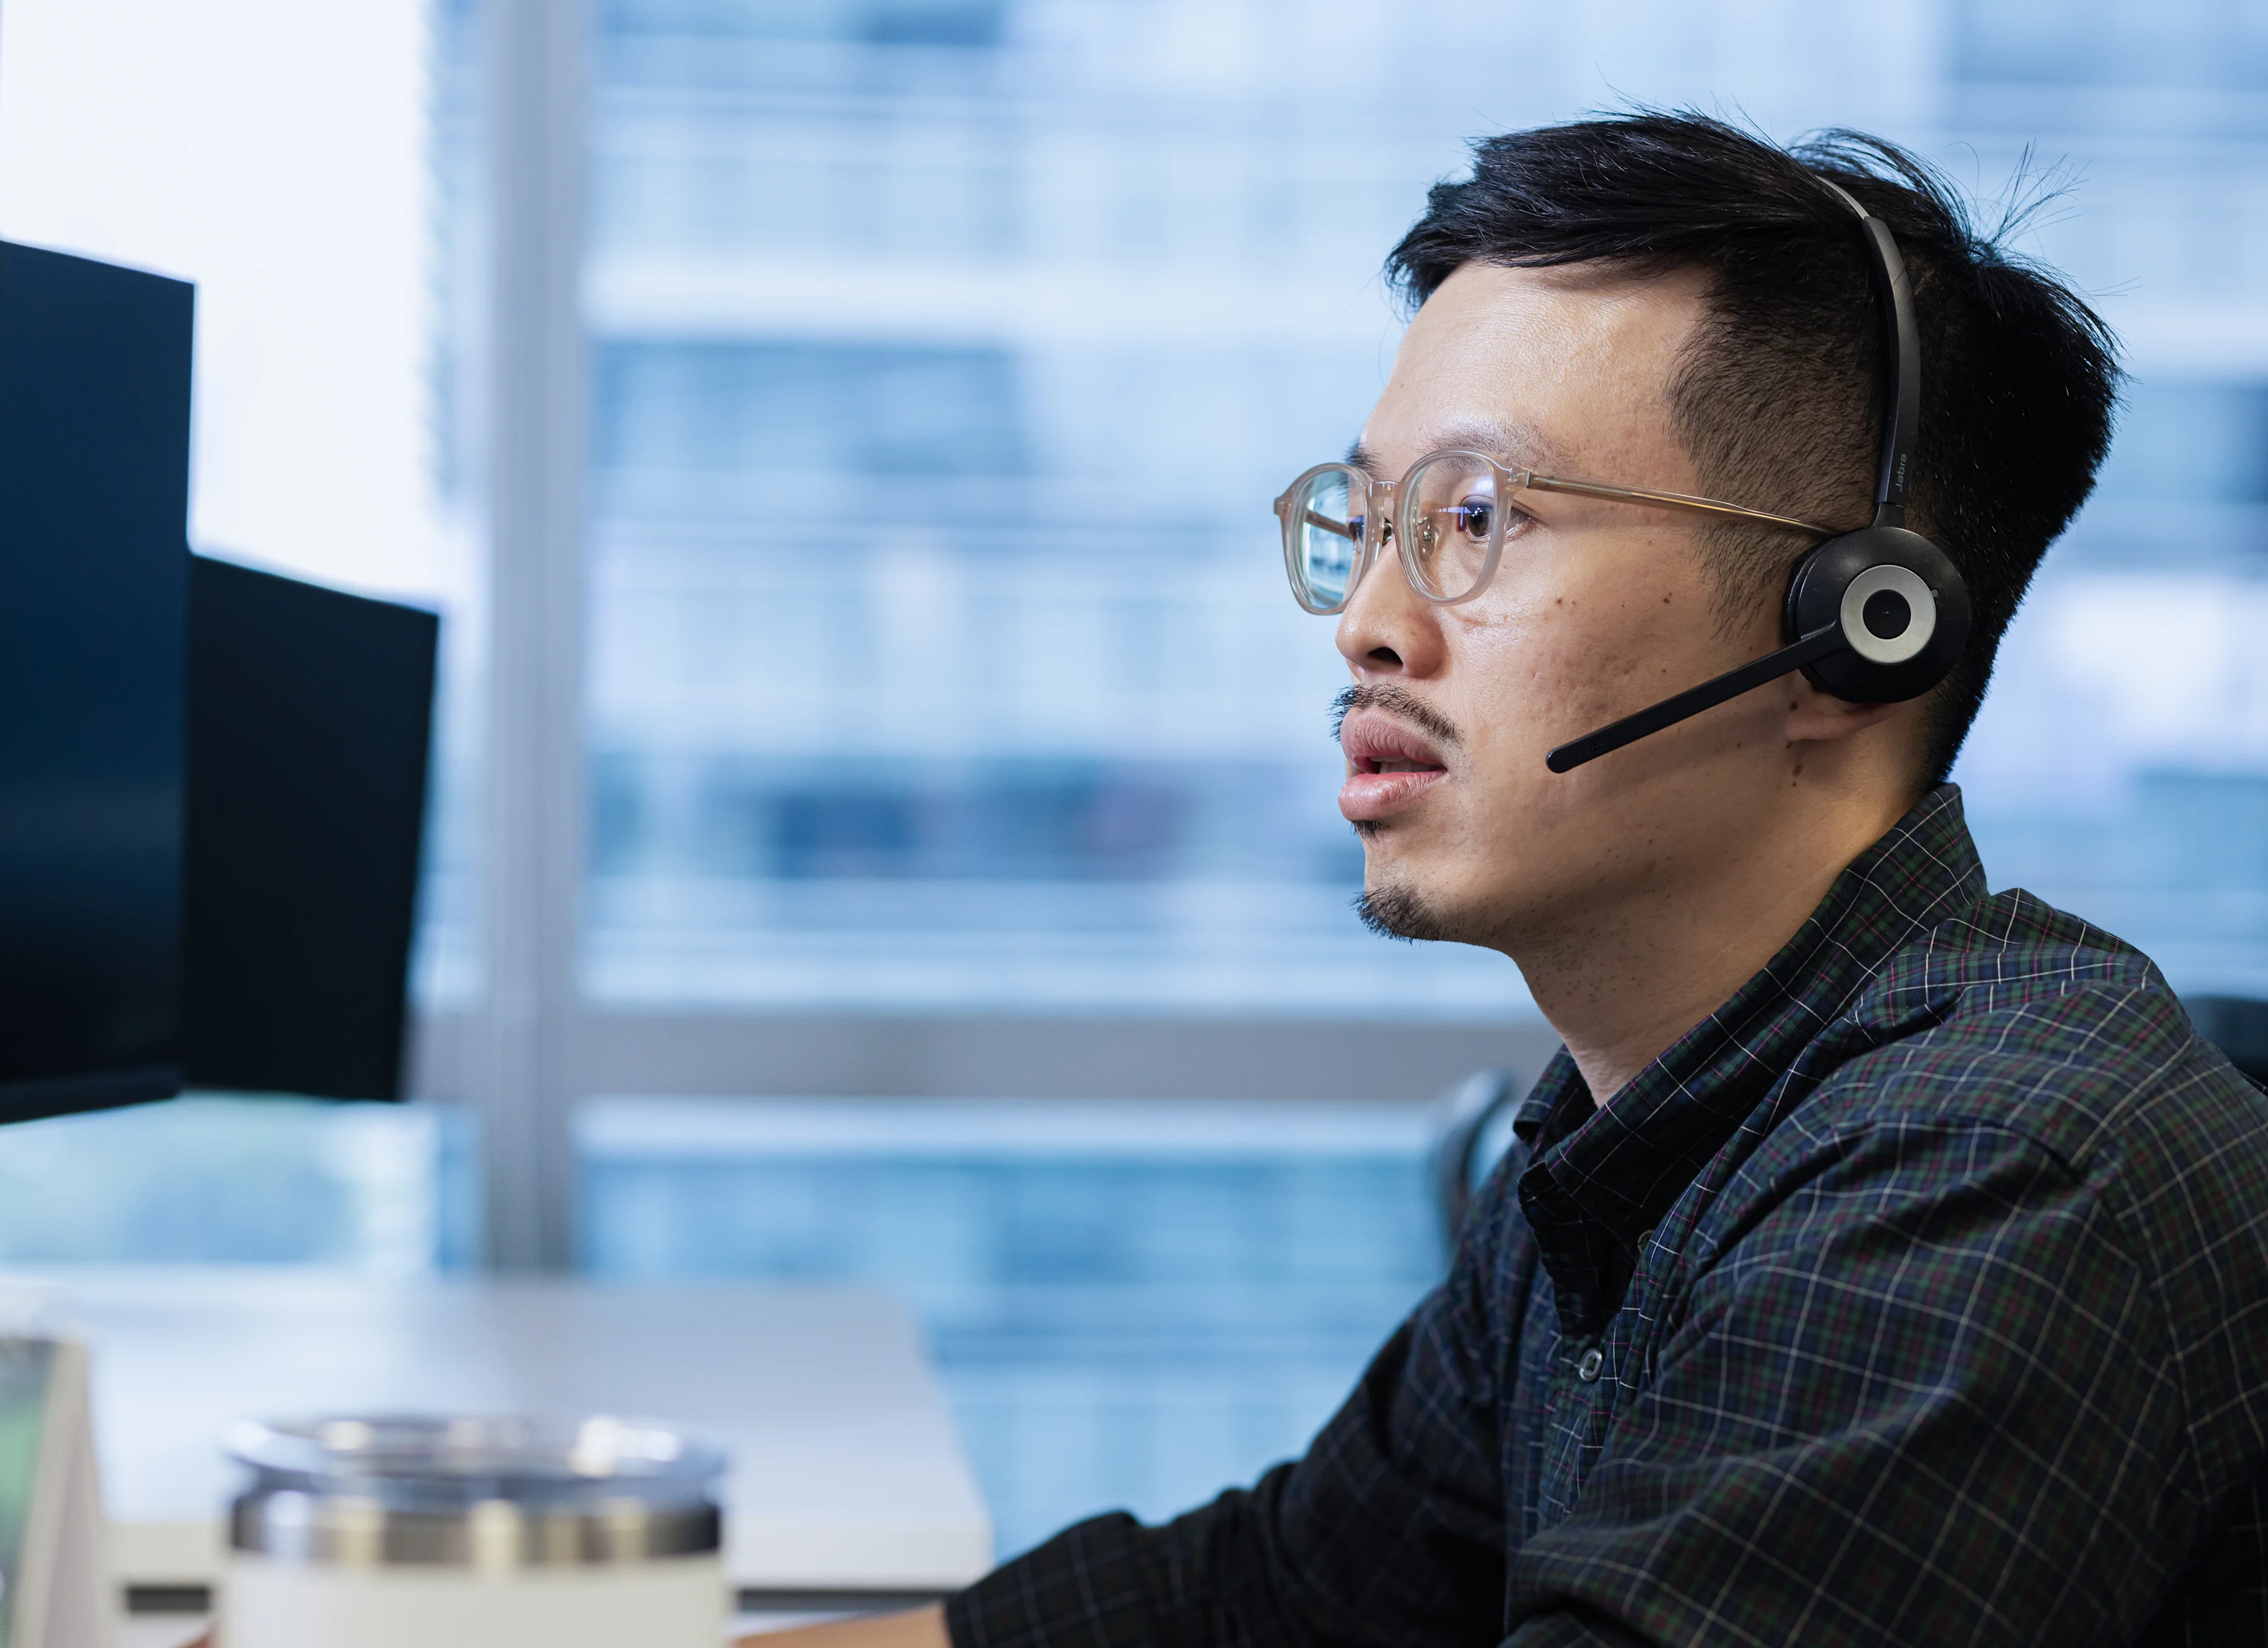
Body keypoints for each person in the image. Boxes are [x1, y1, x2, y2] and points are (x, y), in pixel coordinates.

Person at [756, 112, 2268, 1646]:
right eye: (1375, 522)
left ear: (1851, 632)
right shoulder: (1633, 1131)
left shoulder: (1996, 1179)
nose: (1368, 623)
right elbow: (1270, 1598)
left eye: (1480, 518)